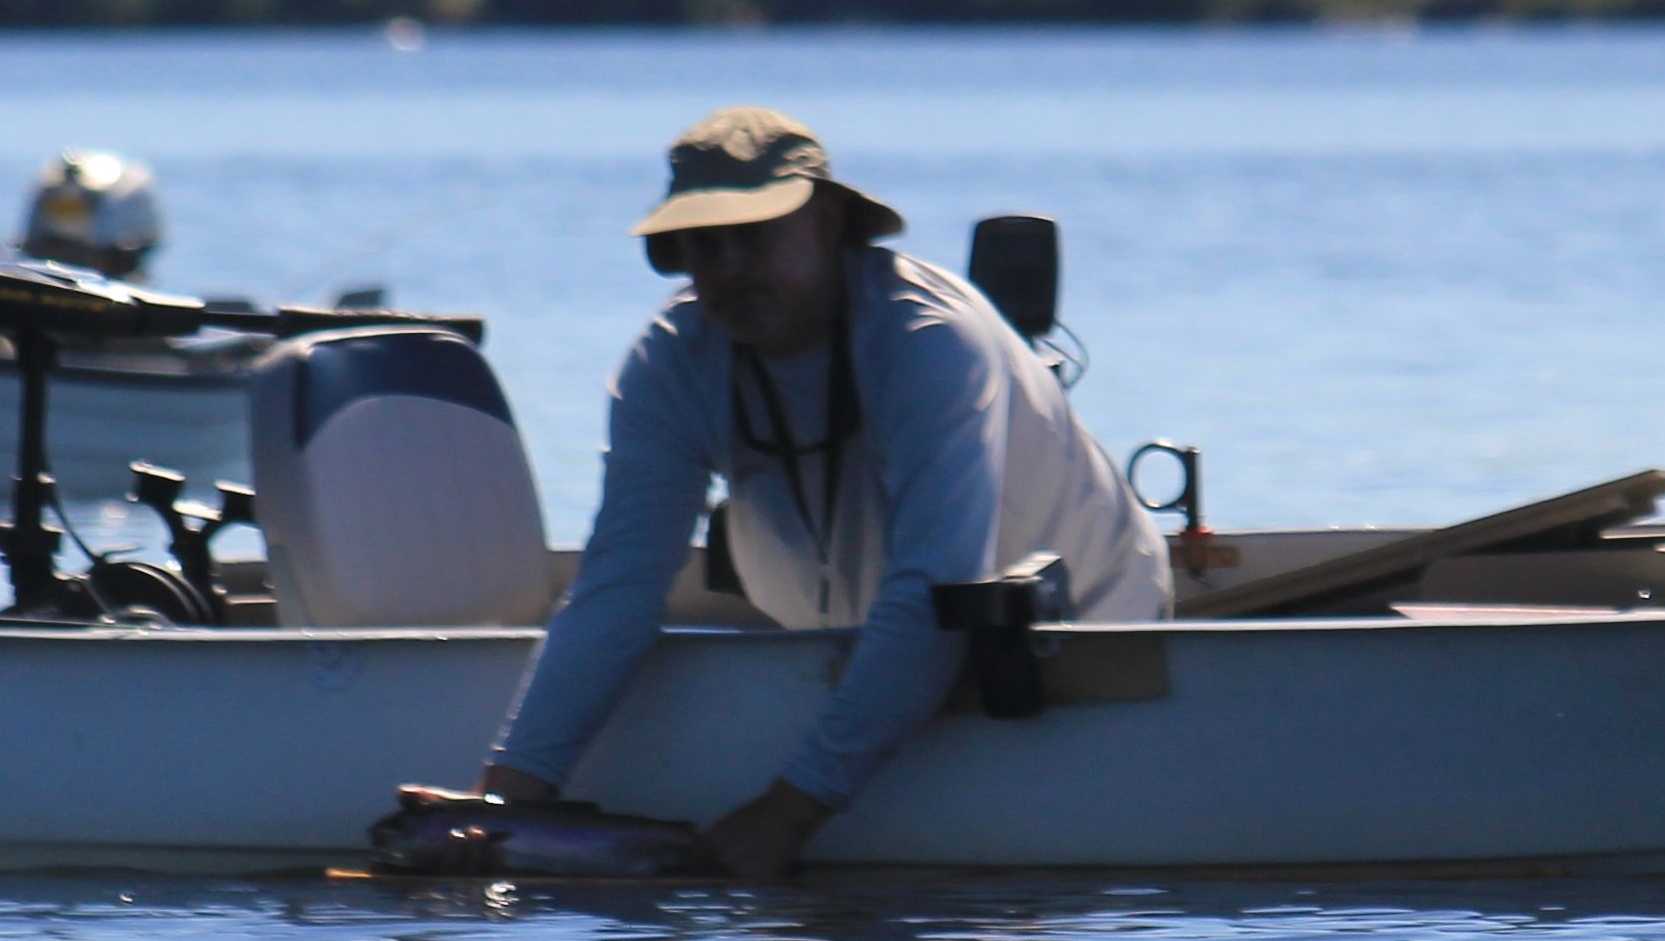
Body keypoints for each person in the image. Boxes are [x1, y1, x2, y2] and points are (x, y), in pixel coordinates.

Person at [480, 106, 1171, 881]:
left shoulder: (930, 342)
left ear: (830, 222)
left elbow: (933, 594)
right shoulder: (672, 361)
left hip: (1098, 638)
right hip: (869, 643)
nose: (731, 265)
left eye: (756, 233)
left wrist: (791, 808)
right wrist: (500, 807)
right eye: (706, 243)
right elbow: (616, 589)